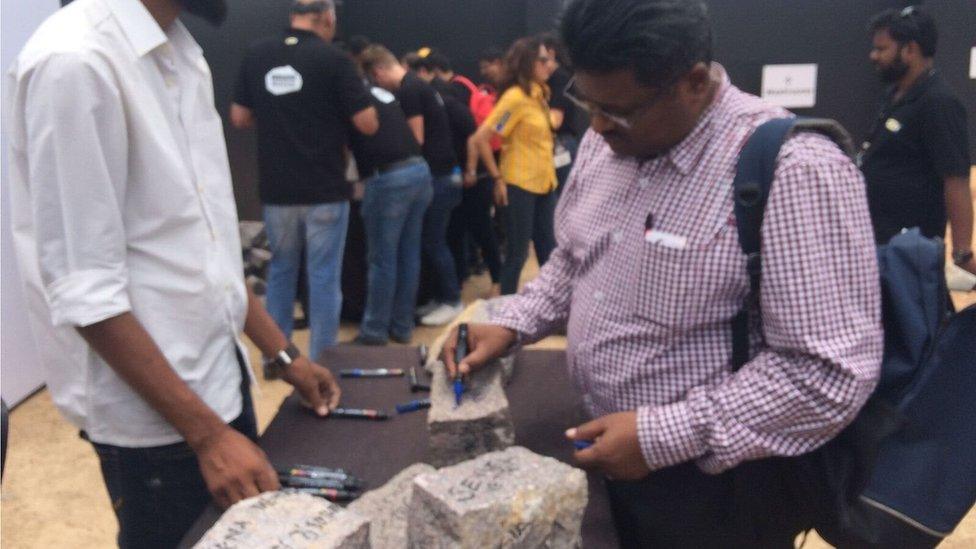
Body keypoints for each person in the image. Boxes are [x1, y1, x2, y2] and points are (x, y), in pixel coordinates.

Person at [444, 0, 883, 546]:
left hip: (716, 491)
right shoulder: (608, 145)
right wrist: (514, 321)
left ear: (693, 83)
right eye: (587, 101)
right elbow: (576, 262)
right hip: (606, 455)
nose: (598, 127)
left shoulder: (797, 171)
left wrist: (660, 436)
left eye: (620, 111)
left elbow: (827, 372)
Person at [6, 0, 343, 546]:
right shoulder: (75, 60)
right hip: (158, 424)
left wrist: (282, 354)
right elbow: (86, 293)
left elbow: (203, 250)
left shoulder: (180, 51)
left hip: (217, 383)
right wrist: (207, 437)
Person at [230, 0, 379, 360]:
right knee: (324, 278)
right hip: (324, 189)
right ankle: (322, 360)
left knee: (281, 271)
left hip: (278, 190)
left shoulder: (257, 54)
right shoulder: (334, 60)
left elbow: (239, 117)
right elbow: (368, 123)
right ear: (327, 18)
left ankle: (275, 358)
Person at [860, 6, 974, 275]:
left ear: (910, 50)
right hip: (877, 243)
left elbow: (956, 180)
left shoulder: (939, 103)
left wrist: (961, 253)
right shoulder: (893, 95)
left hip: (910, 253)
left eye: (882, 49)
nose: (873, 56)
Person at [361, 45, 465, 326]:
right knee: (419, 246)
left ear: (379, 70)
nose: (377, 86)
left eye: (374, 78)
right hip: (440, 173)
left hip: (436, 174)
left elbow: (416, 138)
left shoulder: (408, 90)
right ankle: (434, 300)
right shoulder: (419, 85)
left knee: (431, 242)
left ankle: (452, 298)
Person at [470, 37, 559, 295]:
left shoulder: (539, 93)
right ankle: (504, 314)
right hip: (520, 184)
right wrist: (497, 178)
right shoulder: (515, 97)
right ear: (528, 62)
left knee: (549, 251)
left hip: (545, 182)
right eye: (543, 60)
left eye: (550, 59)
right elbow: (480, 138)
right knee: (517, 253)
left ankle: (551, 308)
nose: (549, 65)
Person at [350, 78, 434, 346]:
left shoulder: (350, 99)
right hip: (419, 171)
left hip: (388, 179)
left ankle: (375, 331)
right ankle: (402, 326)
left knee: (382, 259)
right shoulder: (380, 93)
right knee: (408, 253)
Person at [540, 33, 582, 192]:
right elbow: (497, 127)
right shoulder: (527, 92)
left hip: (561, 143)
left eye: (541, 59)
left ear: (551, 54)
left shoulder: (560, 79)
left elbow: (555, 120)